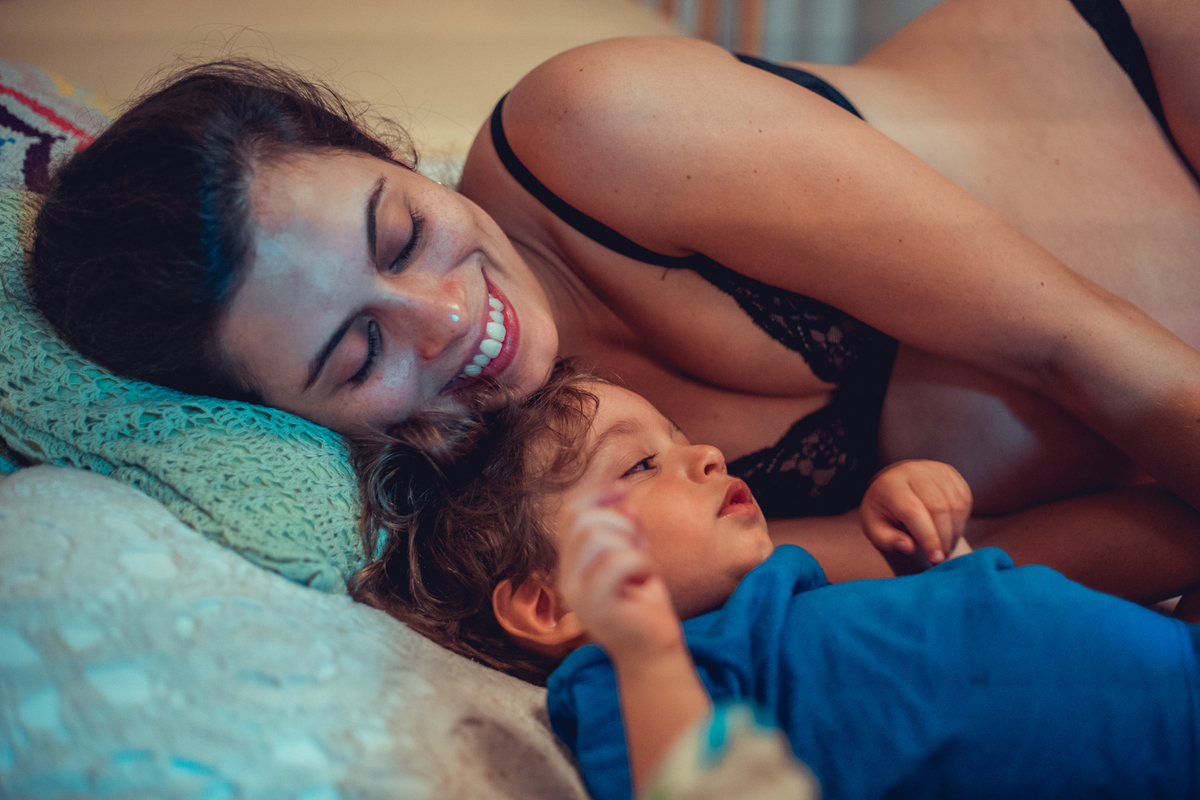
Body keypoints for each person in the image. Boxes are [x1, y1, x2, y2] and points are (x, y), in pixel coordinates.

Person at [27, 0, 1200, 595]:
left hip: (1145, 78)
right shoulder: (550, 516)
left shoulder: (595, 131)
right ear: (294, 419)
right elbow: (977, 562)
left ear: (387, 152)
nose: (445, 318)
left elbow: (1092, 349)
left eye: (401, 229)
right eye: (354, 355)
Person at [349, 365, 1200, 800]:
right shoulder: (629, 684)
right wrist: (644, 656)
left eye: (680, 436)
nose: (706, 453)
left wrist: (926, 568)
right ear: (554, 598)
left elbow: (920, 688)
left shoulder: (776, 610)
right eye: (644, 463)